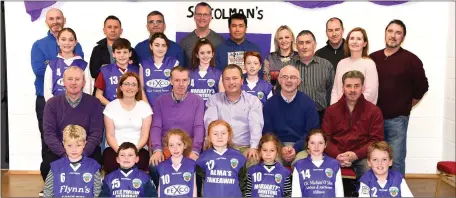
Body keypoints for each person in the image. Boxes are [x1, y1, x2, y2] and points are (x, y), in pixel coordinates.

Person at [370, 19, 429, 176]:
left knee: (395, 160)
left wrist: (404, 105)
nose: (393, 36)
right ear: (385, 34)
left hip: (397, 120)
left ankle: (397, 191)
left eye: (398, 33)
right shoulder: (372, 58)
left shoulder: (412, 60)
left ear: (403, 37)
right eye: (390, 31)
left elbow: (422, 88)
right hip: (373, 121)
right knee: (373, 159)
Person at [31, 9, 84, 181]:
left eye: (58, 18)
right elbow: (39, 69)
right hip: (48, 103)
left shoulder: (78, 47)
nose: (55, 21)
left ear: (64, 19)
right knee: (49, 142)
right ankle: (50, 182)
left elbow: (78, 73)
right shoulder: (39, 45)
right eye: (51, 18)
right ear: (46, 21)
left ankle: (74, 180)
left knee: (75, 140)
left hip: (76, 105)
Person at [42, 66, 103, 184]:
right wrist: (65, 154)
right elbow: (49, 134)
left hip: (86, 151)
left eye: (77, 79)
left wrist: (82, 154)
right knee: (46, 166)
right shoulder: (52, 104)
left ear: (84, 82)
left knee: (96, 163)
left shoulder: (94, 103)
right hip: (61, 151)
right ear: (63, 82)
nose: (73, 83)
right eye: (70, 79)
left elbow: (96, 133)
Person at [148, 66, 204, 187]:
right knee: (154, 165)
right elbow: (156, 127)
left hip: (188, 148)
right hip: (167, 148)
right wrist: (157, 149)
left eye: (184, 80)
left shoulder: (197, 100)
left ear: (189, 81)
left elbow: (199, 126)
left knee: (198, 166)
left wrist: (195, 150)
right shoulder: (160, 101)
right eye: (177, 80)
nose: (181, 84)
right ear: (171, 81)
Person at [322, 70, 384, 179]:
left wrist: (356, 155)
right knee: (319, 171)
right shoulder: (331, 111)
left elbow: (376, 140)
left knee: (369, 171)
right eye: (348, 86)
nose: (352, 90)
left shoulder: (374, 111)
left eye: (356, 86)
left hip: (363, 156)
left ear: (363, 88)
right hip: (336, 155)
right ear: (343, 88)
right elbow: (325, 138)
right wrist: (337, 155)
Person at [204, 64, 263, 168]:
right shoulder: (214, 100)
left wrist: (253, 147)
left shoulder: (252, 101)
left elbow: (256, 126)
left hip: (245, 147)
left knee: (253, 159)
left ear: (242, 80)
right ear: (222, 81)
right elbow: (210, 125)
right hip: (221, 146)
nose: (231, 82)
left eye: (235, 78)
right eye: (227, 79)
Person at [262, 65, 320, 166]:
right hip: (276, 147)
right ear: (279, 80)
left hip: (302, 147)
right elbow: (268, 132)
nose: (288, 80)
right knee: (271, 164)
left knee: (302, 165)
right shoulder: (269, 104)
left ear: (299, 81)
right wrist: (280, 147)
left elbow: (312, 132)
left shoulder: (308, 103)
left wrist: (296, 148)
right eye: (285, 77)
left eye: (293, 77)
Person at [102, 72, 152, 174]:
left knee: (140, 165)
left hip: (139, 148)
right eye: (126, 84)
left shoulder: (145, 107)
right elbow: (110, 135)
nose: (130, 87)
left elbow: (144, 135)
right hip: (115, 148)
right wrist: (121, 152)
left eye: (134, 85)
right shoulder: (111, 107)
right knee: (111, 164)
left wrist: (133, 152)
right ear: (120, 87)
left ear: (138, 89)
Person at [43, 125, 102, 197]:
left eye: (78, 145)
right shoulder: (55, 167)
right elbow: (48, 191)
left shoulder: (93, 166)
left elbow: (98, 192)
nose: (74, 150)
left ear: (84, 144)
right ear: (64, 144)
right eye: (69, 145)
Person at [89, 15, 139, 95]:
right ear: (104, 30)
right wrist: (109, 70)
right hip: (104, 94)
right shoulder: (98, 50)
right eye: (109, 27)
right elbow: (93, 72)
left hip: (128, 93)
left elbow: (135, 71)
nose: (112, 30)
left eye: (116, 27)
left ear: (121, 30)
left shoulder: (131, 50)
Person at [196, 120, 247, 197]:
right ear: (209, 137)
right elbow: (199, 185)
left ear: (229, 136)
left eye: (223, 133)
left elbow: (243, 183)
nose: (220, 136)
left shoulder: (239, 157)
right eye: (215, 134)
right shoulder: (202, 158)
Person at [295, 30, 335, 124]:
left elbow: (331, 92)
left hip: (321, 117)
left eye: (308, 42)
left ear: (314, 45)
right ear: (296, 46)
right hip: (295, 116)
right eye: (301, 43)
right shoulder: (288, 67)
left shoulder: (326, 66)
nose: (304, 47)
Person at [330, 27, 378, 105]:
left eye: (359, 39)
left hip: (362, 112)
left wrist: (351, 108)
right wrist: (334, 110)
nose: (355, 42)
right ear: (348, 42)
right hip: (340, 113)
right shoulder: (341, 63)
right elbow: (335, 90)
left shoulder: (369, 64)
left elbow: (371, 92)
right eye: (352, 38)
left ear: (364, 43)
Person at [291, 129, 344, 197]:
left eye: (320, 143)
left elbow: (339, 193)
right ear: (308, 145)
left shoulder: (334, 164)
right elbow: (296, 194)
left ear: (325, 144)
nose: (316, 146)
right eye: (312, 143)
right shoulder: (299, 165)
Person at [43, 27, 91, 101]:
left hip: (78, 108)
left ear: (75, 42)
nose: (67, 43)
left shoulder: (83, 65)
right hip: (57, 108)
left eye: (71, 40)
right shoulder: (52, 65)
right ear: (58, 41)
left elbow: (87, 90)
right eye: (63, 39)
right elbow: (47, 92)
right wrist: (54, 107)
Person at [139, 33, 179, 108]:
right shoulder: (144, 64)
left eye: (163, 45)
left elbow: (177, 87)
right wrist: (146, 106)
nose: (160, 48)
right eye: (157, 45)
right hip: (149, 106)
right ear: (151, 46)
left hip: (168, 106)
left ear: (167, 47)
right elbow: (141, 88)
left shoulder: (173, 63)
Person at [95, 38, 139, 106]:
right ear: (113, 54)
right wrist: (112, 107)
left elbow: (141, 92)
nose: (122, 55)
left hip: (132, 109)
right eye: (118, 52)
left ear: (130, 54)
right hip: (111, 111)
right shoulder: (105, 71)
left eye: (125, 52)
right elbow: (98, 95)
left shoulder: (137, 70)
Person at [245, 133, 292, 197]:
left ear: (277, 152)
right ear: (260, 151)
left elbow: (288, 194)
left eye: (272, 150)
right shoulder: (252, 171)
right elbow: (248, 193)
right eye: (265, 150)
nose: (268, 154)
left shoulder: (284, 172)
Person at [180, 2, 224, 68]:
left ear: (210, 17)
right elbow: (181, 69)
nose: (202, 18)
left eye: (205, 14)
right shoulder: (185, 42)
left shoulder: (220, 41)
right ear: (194, 16)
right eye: (199, 14)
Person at [156, 129, 197, 197]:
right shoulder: (161, 166)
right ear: (167, 147)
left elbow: (194, 187)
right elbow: (160, 189)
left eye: (179, 144)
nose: (175, 148)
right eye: (171, 145)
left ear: (185, 145)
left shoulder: (191, 164)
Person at [188, 38, 223, 104]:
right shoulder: (188, 74)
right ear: (197, 55)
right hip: (193, 112)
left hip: (211, 112)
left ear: (212, 54)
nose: (205, 56)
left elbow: (221, 99)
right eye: (202, 53)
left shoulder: (219, 74)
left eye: (208, 52)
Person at [263, 25, 298, 92]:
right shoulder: (270, 58)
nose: (283, 40)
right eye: (280, 38)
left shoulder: (299, 57)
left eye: (287, 37)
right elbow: (266, 83)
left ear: (292, 39)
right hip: (275, 98)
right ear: (277, 41)